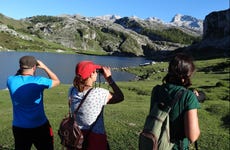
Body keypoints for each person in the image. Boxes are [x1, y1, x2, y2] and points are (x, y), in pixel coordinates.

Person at [7, 55, 60, 150]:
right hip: (39, 126)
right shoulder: (38, 81)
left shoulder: (10, 80)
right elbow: (56, 81)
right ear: (34, 67)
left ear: (20, 66)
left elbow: (18, 75)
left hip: (19, 127)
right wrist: (44, 67)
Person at [68, 60, 124, 150]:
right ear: (91, 74)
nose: (97, 74)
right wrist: (109, 78)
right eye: (96, 71)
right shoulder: (98, 93)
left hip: (76, 135)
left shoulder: (71, 90)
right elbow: (120, 97)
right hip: (96, 138)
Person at [149, 53, 200, 150]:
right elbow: (192, 137)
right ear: (186, 76)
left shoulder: (156, 90)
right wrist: (193, 103)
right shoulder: (188, 97)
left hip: (156, 145)